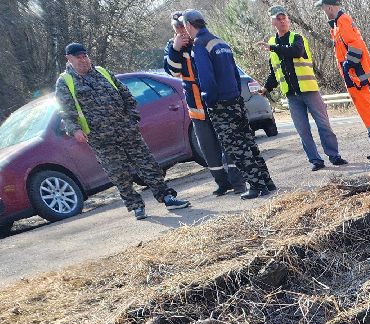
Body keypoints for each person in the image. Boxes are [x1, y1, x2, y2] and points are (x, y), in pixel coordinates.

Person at [53, 43, 191, 220]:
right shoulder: (66, 82)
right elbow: (66, 111)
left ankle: (167, 197)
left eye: (85, 56)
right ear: (69, 59)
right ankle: (136, 206)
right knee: (119, 174)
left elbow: (126, 94)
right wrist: (75, 130)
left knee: (148, 164)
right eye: (78, 57)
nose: (83, 60)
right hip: (101, 138)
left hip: (127, 130)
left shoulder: (102, 72)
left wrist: (132, 118)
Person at [181, 9, 277, 199]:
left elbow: (206, 78)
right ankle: (266, 182)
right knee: (249, 144)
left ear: (189, 26)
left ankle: (257, 187)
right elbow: (234, 73)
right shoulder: (220, 42)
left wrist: (209, 100)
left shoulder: (200, 44)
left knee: (236, 147)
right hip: (236, 100)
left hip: (220, 105)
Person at [164, 14, 245, 195]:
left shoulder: (201, 42)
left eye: (182, 28)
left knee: (228, 144)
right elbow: (172, 71)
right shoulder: (173, 47)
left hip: (215, 100)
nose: (181, 33)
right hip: (196, 107)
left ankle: (238, 181)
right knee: (208, 148)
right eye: (177, 30)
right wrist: (175, 49)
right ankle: (222, 183)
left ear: (188, 26)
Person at [263, 6, 347, 171]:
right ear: (273, 22)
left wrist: (273, 48)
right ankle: (315, 160)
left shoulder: (297, 38)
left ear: (288, 20)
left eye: (284, 18)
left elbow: (296, 51)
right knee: (303, 131)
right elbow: (274, 71)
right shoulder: (272, 43)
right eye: (278, 19)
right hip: (292, 96)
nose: (282, 21)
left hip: (309, 90)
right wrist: (266, 88)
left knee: (324, 125)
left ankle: (334, 156)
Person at [316, 0, 370, 161]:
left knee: (368, 112)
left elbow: (355, 46)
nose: (323, 11)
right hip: (353, 77)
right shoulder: (337, 23)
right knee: (366, 113)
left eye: (323, 8)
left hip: (355, 77)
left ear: (329, 7)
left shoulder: (343, 20)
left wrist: (347, 66)